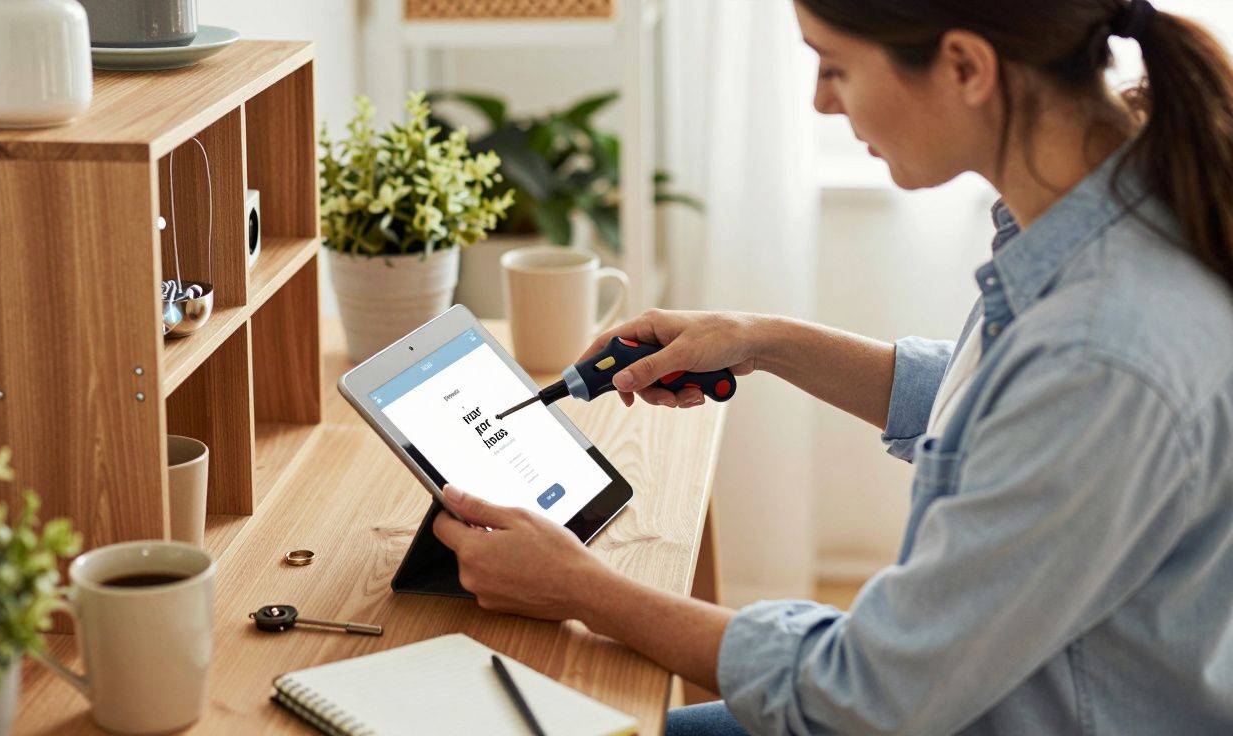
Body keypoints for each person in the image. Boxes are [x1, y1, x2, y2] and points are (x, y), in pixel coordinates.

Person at [432, 0, 1233, 733]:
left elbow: (870, 690)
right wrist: (762, 339)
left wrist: (582, 589)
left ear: (965, 67)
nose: (821, 101)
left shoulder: (1100, 355)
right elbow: (989, 409)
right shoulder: (1104, 225)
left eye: (835, 66)